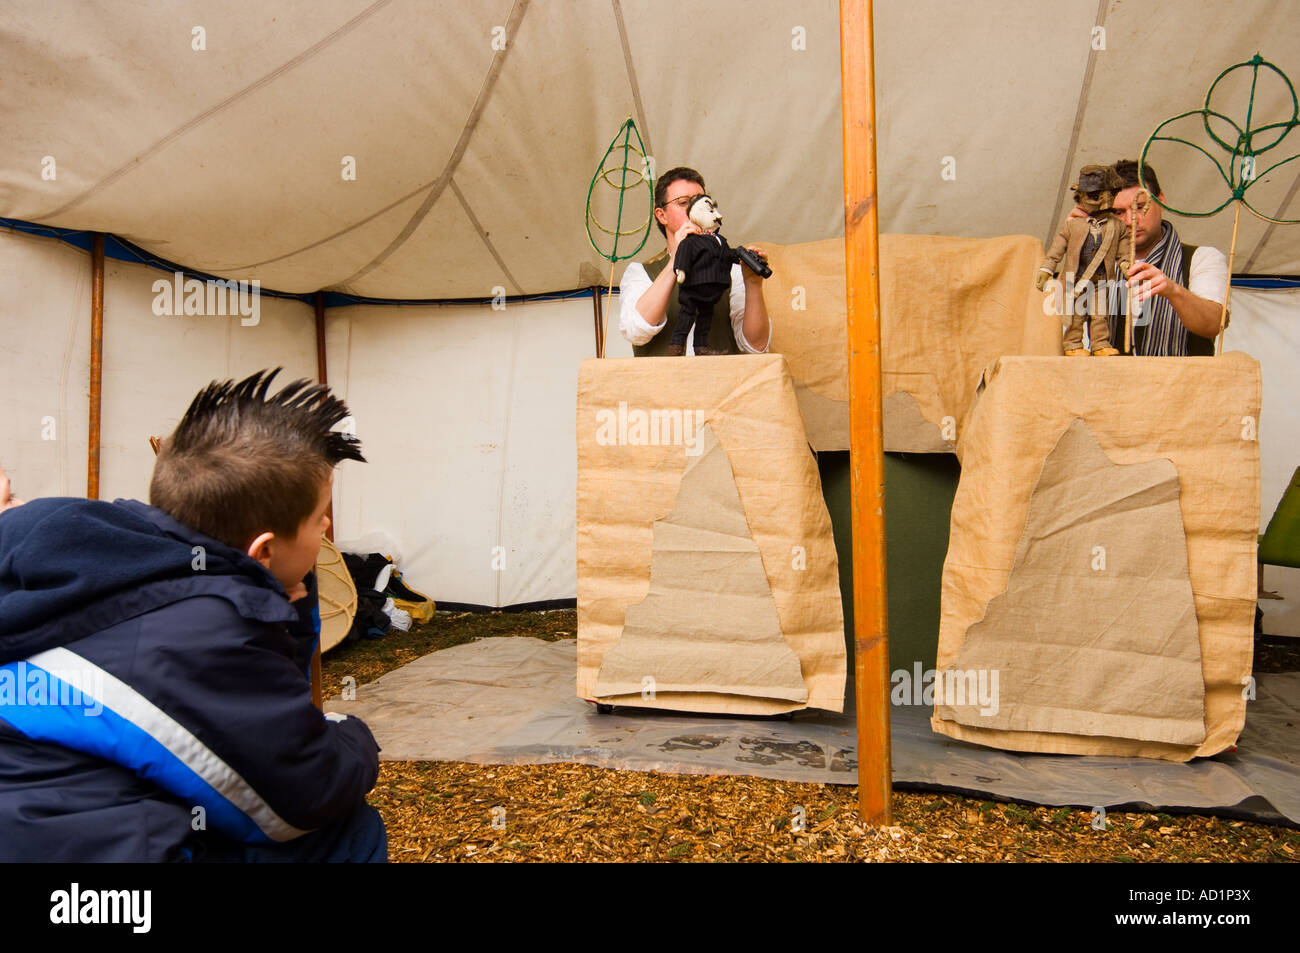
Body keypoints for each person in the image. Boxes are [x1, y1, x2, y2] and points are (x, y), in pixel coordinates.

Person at [0, 369, 387, 862]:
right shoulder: (203, 632)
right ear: (263, 549)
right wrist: (353, 734)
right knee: (348, 834)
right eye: (319, 517)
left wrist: (274, 592)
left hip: (38, 822)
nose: (328, 526)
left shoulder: (108, 564)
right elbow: (301, 796)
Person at [1072, 159, 1230, 356]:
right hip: (1113, 385)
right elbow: (1064, 316)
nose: (1131, 221)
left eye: (1139, 207)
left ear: (1160, 200)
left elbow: (1213, 324)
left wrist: (1173, 291)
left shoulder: (1203, 258)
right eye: (1118, 212)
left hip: (1184, 385)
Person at [619, 167, 772, 356]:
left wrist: (753, 284)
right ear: (662, 215)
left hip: (719, 383)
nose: (693, 209)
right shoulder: (640, 272)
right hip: (663, 384)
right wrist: (676, 258)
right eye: (683, 203)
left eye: (700, 201)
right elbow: (636, 332)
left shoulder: (731, 271)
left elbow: (756, 347)